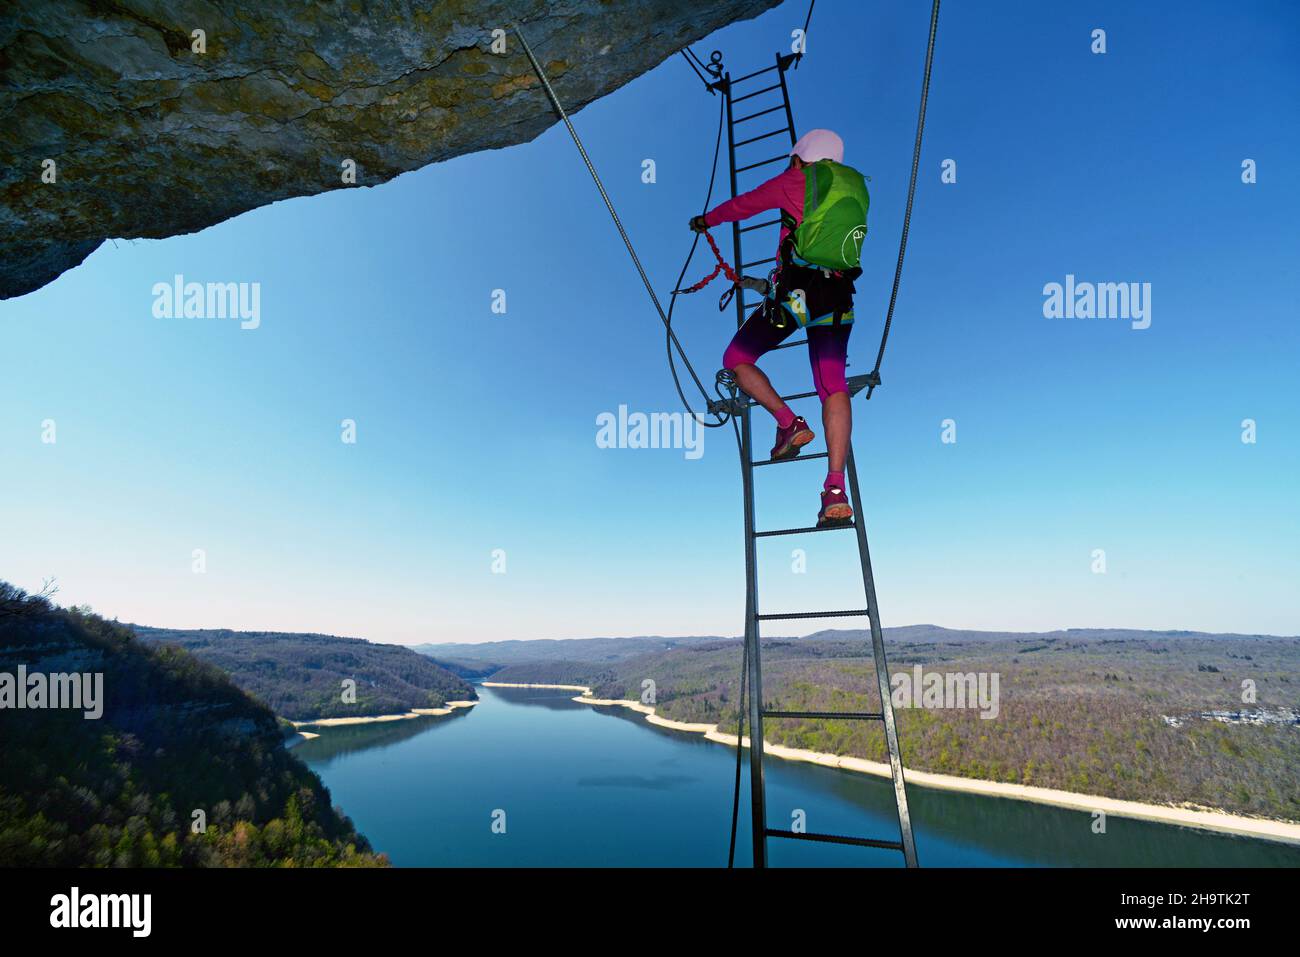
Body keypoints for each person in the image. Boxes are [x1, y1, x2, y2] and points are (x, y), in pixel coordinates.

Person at [689, 129, 868, 526]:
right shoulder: (854, 187)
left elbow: (744, 205)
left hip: (799, 294)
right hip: (839, 295)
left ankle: (789, 424)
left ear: (800, 158)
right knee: (833, 386)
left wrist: (706, 221)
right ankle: (835, 490)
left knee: (737, 357)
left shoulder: (796, 180)